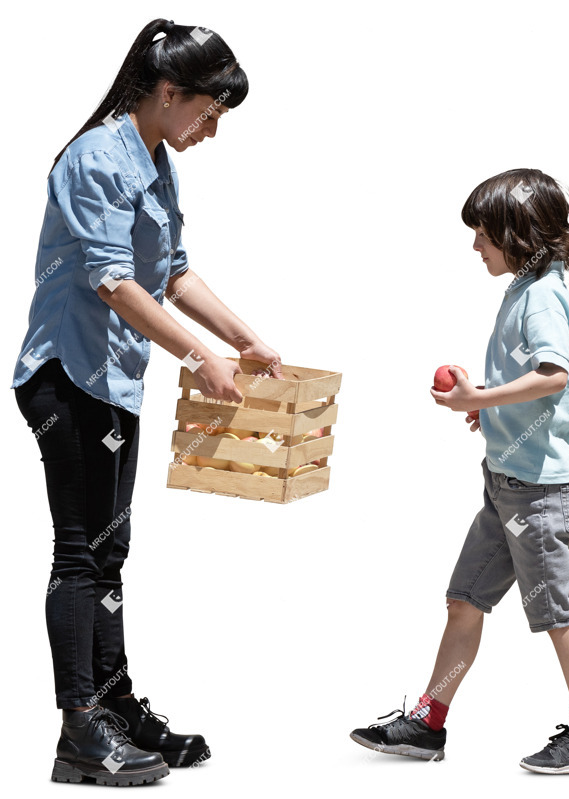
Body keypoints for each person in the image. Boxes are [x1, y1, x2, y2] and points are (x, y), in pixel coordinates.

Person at [12, 18, 281, 787]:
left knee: (110, 552)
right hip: (67, 377)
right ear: (170, 93)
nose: (212, 131)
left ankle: (113, 702)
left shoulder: (156, 159)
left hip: (115, 379)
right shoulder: (97, 157)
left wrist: (245, 339)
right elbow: (113, 279)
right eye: (210, 113)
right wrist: (201, 356)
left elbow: (173, 273)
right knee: (80, 553)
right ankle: (80, 731)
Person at [350, 169, 569, 774]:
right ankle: (428, 722)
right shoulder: (524, 288)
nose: (476, 247)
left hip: (538, 494)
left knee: (554, 611)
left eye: (485, 235)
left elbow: (555, 376)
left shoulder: (544, 296)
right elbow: (534, 386)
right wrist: (491, 407)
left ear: (519, 234)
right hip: (504, 485)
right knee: (464, 599)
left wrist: (478, 401)